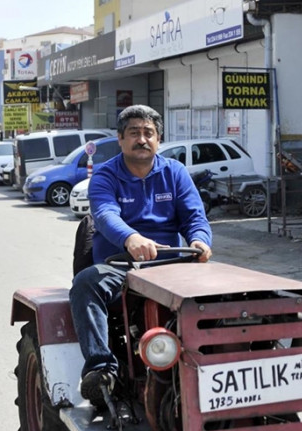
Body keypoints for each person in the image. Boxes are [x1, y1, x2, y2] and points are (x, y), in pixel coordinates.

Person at [69, 104, 212, 405]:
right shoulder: (106, 176)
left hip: (172, 263)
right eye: (134, 133)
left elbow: (195, 217)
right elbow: (105, 214)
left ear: (159, 139)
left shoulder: (175, 172)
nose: (142, 139)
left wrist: (199, 241)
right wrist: (130, 238)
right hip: (121, 266)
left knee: (222, 293)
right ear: (120, 139)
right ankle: (101, 369)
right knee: (86, 283)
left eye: (149, 133)